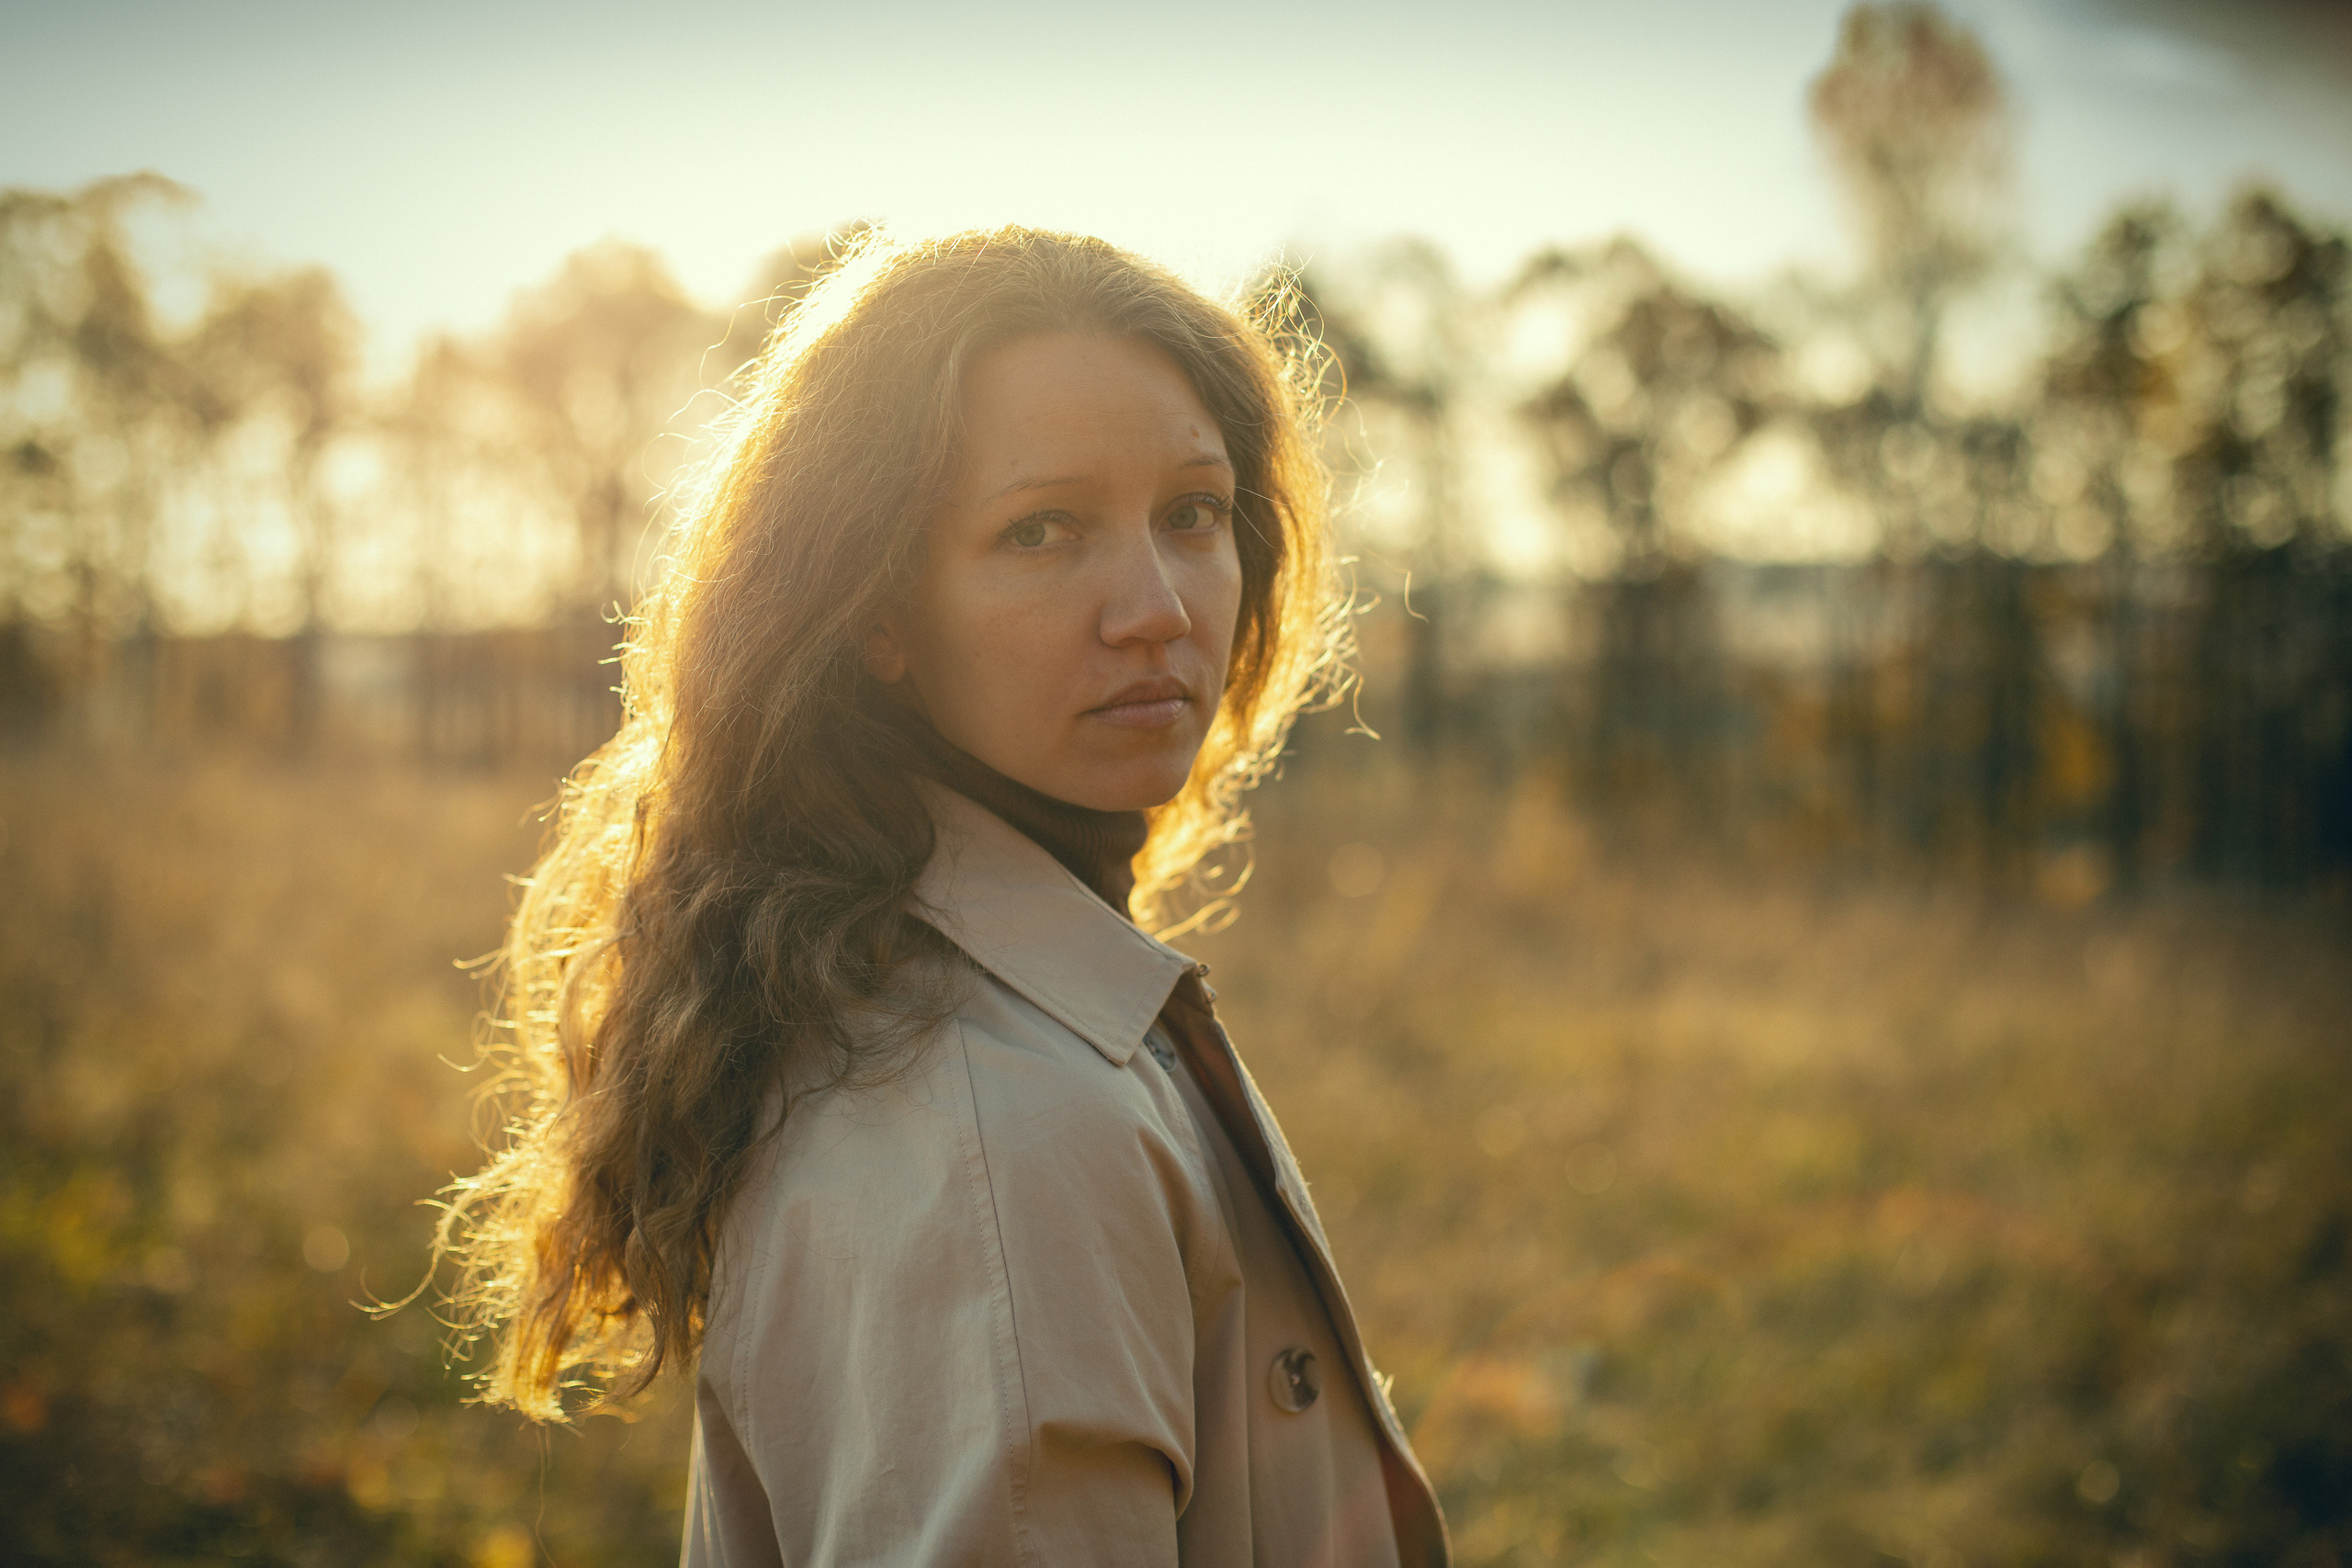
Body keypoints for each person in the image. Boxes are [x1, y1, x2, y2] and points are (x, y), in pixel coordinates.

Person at [434, 227, 1450, 1566]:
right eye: (1043, 530)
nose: (1155, 605)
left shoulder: (938, 1001)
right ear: (878, 613)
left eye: (1194, 515)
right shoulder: (1003, 1137)